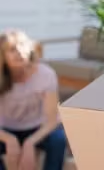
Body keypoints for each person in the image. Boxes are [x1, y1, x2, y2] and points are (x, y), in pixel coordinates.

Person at [0, 30, 67, 170]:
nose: (19, 51)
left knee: (59, 139)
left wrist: (30, 143)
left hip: (38, 128)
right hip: (5, 129)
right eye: (12, 49)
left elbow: (52, 120)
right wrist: (8, 139)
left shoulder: (46, 74)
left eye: (22, 45)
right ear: (2, 56)